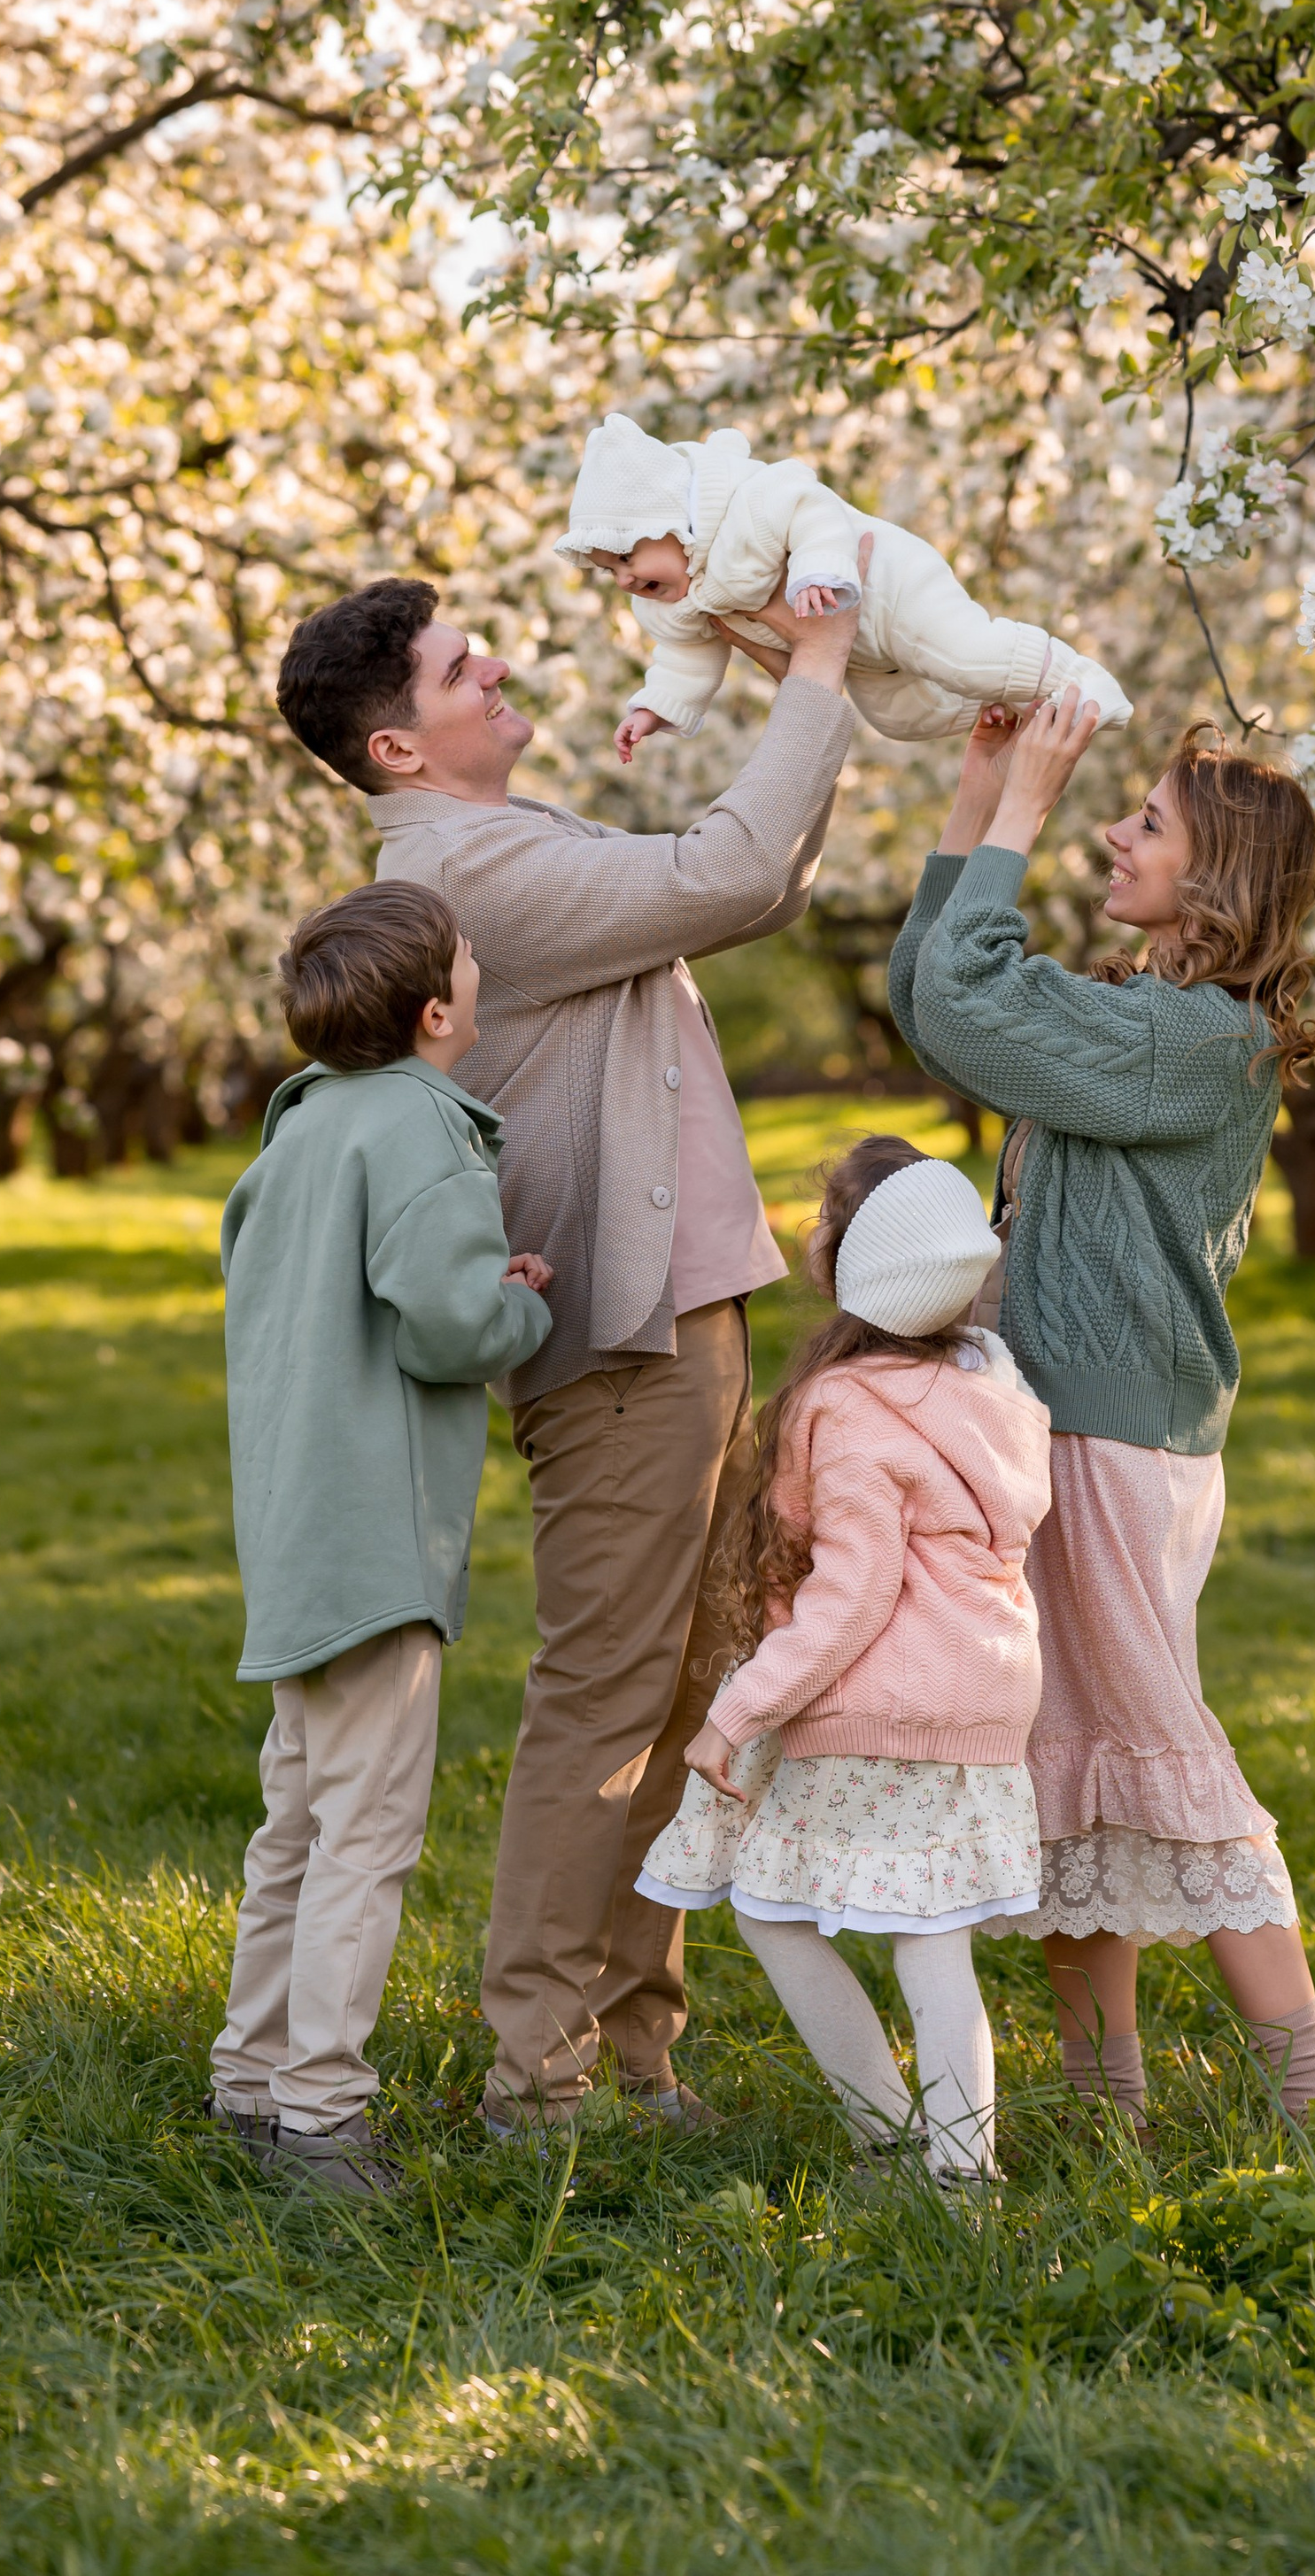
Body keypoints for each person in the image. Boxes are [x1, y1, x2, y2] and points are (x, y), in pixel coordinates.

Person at [270, 560, 865, 2134]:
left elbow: (756, 880)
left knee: (679, 1690)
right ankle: (541, 2072)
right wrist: (815, 663)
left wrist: (823, 687)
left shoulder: (510, 840)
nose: (499, 669)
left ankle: (633, 2043)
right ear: (399, 746)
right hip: (617, 1329)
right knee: (611, 1695)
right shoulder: (469, 877)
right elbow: (731, 871)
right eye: (466, 667)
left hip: (674, 1306)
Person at [891, 703, 1315, 2136]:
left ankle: (1311, 2097)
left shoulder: (1189, 1040)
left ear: (1220, 880)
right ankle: (1103, 2116)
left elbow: (964, 999)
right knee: (1081, 1764)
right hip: (1078, 1428)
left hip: (1113, 1443)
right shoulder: (1134, 1014)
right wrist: (976, 792)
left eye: (1145, 820)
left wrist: (1024, 797)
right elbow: (936, 990)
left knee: (1161, 1754)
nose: (1110, 833)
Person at [209, 881, 554, 2201]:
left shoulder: (296, 1134)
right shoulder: (420, 1123)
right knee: (366, 1833)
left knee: (295, 1819)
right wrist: (515, 1308)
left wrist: (470, 1286)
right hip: (375, 1539)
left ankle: (250, 2080)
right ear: (433, 1011)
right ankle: (321, 2118)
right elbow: (446, 1327)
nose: (481, 974)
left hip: (295, 1526)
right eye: (472, 962)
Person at [637, 1137, 1051, 2190]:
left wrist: (739, 1708)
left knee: (770, 1907)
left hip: (880, 1707)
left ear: (851, 1259)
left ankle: (895, 2141)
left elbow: (856, 1591)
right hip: (985, 1702)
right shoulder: (994, 1387)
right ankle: (962, 2177)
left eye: (825, 1215)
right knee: (935, 1942)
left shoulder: (847, 1406)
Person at [557, 412, 1130, 760]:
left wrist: (818, 568)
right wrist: (657, 708)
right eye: (610, 571)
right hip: (858, 654)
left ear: (674, 521)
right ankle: (1020, 706)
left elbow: (812, 507)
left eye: (629, 554)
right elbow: (685, 660)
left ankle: (1080, 679)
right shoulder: (677, 607)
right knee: (899, 720)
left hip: (888, 588)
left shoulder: (747, 507)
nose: (626, 579)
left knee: (963, 656)